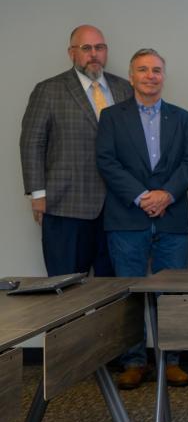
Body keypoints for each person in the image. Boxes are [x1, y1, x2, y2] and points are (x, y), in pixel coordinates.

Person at [96, 48, 188, 390]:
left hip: (172, 217)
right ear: (131, 77)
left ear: (163, 76)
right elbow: (107, 162)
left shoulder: (182, 118)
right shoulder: (111, 117)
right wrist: (143, 197)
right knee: (130, 293)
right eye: (143, 70)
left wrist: (166, 194)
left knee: (173, 294)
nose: (150, 75)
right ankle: (134, 361)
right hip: (127, 217)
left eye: (156, 70)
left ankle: (171, 360)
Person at [20, 25, 132, 277]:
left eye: (99, 48)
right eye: (86, 48)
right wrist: (37, 194)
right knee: (66, 287)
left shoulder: (125, 89)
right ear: (71, 53)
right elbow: (32, 142)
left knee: (114, 289)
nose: (94, 54)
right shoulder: (49, 90)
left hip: (117, 207)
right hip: (65, 205)